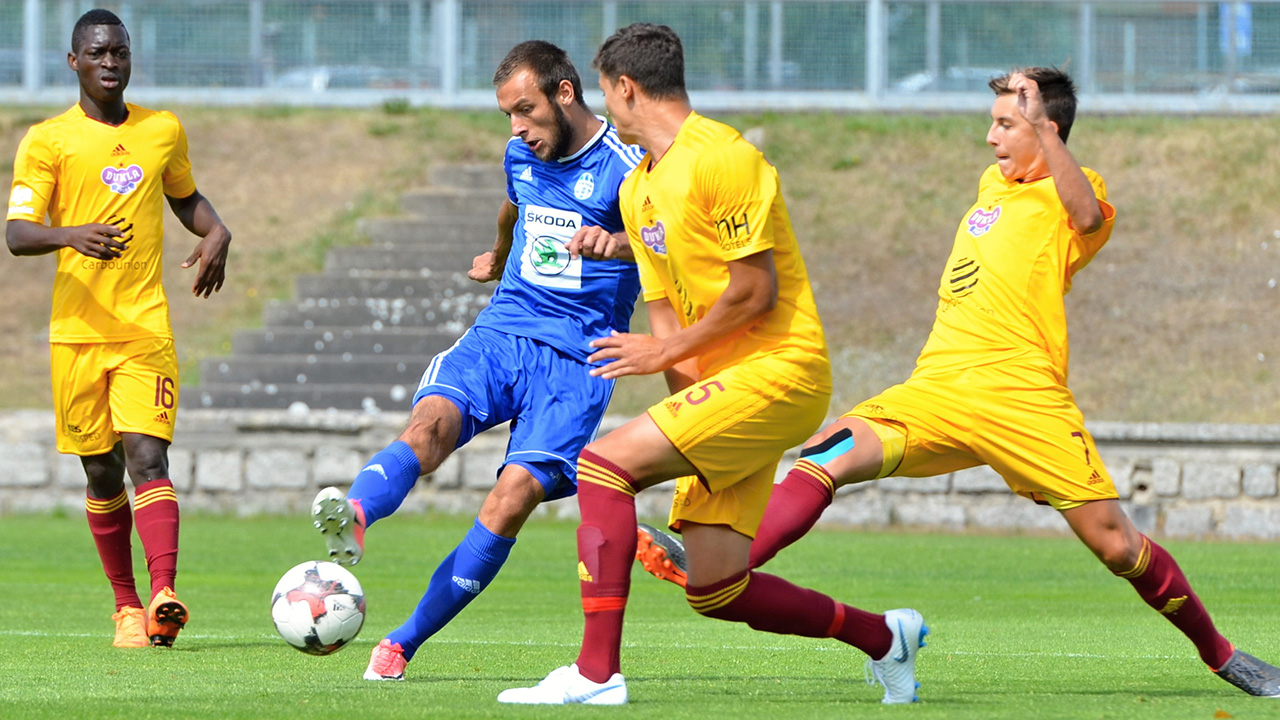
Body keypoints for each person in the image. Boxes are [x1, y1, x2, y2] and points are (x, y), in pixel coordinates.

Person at [635, 67, 1280, 699]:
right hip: (939, 386)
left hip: (1021, 397)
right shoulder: (990, 185)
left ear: (1044, 129)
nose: (991, 137)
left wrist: (1050, 138)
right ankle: (724, 562)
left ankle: (1223, 657)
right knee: (828, 452)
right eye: (992, 122)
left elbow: (1088, 219)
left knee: (1117, 546)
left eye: (1006, 124)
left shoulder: (1071, 191)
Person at [497, 23, 926, 707]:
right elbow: (667, 316)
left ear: (627, 88)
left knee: (601, 466)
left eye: (608, 95)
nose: (606, 110)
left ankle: (597, 673)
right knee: (718, 588)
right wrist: (681, 418)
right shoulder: (639, 190)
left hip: (784, 372)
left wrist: (661, 357)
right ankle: (886, 639)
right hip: (727, 391)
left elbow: (756, 292)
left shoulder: (724, 158)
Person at [309, 40, 644, 682]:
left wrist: (621, 245)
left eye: (525, 110)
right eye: (507, 115)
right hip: (505, 330)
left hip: (578, 359)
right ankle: (355, 513)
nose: (516, 128)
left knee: (509, 498)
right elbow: (514, 204)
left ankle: (403, 642)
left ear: (564, 94)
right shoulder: (522, 152)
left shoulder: (628, 168)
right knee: (429, 426)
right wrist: (496, 252)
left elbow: (673, 244)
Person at [5, 9, 231, 648]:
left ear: (131, 59)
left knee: (147, 457)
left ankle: (163, 595)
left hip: (143, 328)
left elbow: (184, 197)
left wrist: (217, 229)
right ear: (74, 63)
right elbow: (18, 234)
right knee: (101, 472)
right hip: (76, 332)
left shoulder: (162, 130)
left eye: (121, 52)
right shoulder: (48, 140)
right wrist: (71, 234)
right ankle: (124, 605)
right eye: (98, 53)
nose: (111, 62)